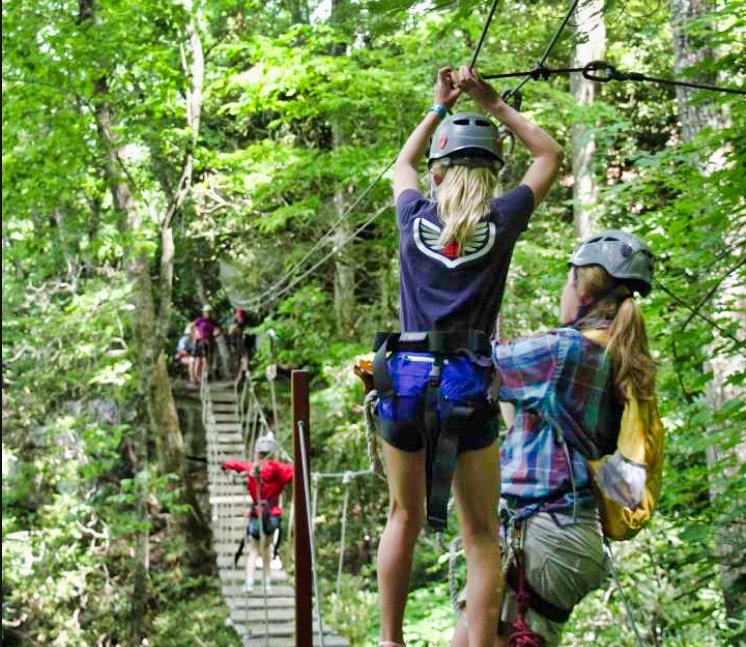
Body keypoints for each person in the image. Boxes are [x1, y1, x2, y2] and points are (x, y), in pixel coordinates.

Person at [374, 65, 563, 647]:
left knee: (403, 516)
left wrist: (438, 107)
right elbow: (549, 155)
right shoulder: (501, 221)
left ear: (438, 172)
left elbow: (399, 167)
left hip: (404, 378)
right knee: (480, 532)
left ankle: (389, 641)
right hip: (466, 382)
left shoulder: (413, 219)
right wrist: (493, 103)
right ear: (490, 172)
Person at [450, 230, 657, 647]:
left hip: (545, 531)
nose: (564, 290)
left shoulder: (567, 354)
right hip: (565, 534)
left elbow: (474, 366)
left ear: (583, 288)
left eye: (568, 279)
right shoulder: (613, 354)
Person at [221, 433, 293, 592]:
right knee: (266, 548)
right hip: (272, 514)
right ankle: (267, 582)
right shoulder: (280, 469)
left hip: (257, 513)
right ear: (273, 452)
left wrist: (225, 465)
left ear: (257, 452)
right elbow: (294, 471)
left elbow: (235, 465)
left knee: (254, 549)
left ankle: (249, 583)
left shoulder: (251, 468)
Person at [190, 304, 222, 386]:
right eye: (206, 312)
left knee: (206, 360)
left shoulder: (213, 321)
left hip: (209, 342)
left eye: (209, 312)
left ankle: (203, 377)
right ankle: (196, 378)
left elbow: (220, 329)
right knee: (198, 359)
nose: (208, 314)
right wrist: (194, 336)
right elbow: (192, 326)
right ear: (203, 313)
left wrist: (214, 336)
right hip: (200, 341)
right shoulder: (200, 320)